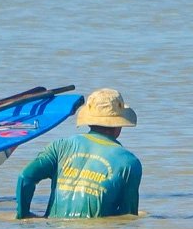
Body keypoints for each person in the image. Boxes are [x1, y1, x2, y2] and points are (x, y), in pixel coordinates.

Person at [15, 88, 142, 218]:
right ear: (118, 124)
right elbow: (127, 217)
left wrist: (24, 216)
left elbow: (25, 177)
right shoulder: (129, 163)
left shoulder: (60, 146)